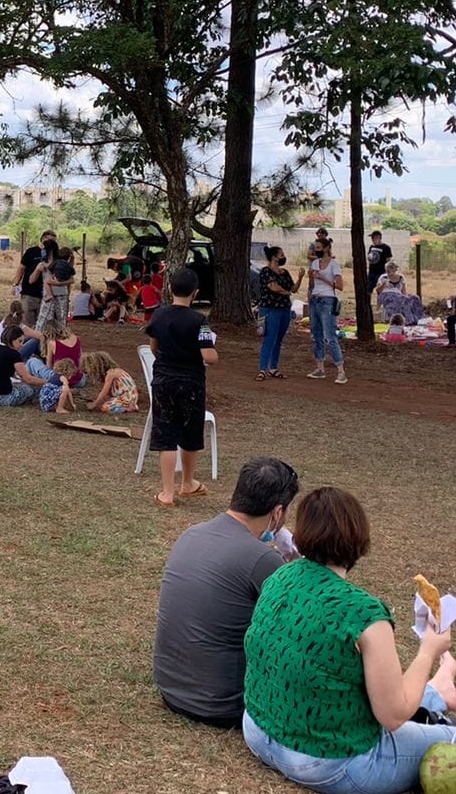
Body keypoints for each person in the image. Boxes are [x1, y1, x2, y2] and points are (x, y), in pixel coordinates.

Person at [242, 488, 456, 793]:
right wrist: (429, 650)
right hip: (329, 762)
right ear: (359, 538)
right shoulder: (364, 614)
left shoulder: (279, 576)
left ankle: (437, 693)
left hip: (258, 730)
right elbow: (392, 715)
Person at [154, 458, 300, 728]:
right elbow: (301, 625)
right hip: (223, 704)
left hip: (171, 688)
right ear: (277, 513)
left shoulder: (191, 534)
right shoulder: (262, 559)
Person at [147, 266, 218, 507]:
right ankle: (187, 483)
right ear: (195, 293)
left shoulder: (158, 315)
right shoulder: (201, 321)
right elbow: (209, 356)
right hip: (191, 383)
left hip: (163, 380)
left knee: (166, 433)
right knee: (190, 433)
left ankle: (167, 492)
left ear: (169, 289)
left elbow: (153, 346)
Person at [255, 246, 302, 381]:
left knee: (278, 340)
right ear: (274, 257)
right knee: (269, 339)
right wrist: (286, 292)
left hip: (284, 309)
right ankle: (262, 369)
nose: (283, 257)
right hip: (270, 309)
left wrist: (300, 278)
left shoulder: (284, 273)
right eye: (281, 255)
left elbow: (293, 289)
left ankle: (273, 368)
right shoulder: (265, 271)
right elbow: (273, 287)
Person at [0, 324, 48, 406]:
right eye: (20, 341)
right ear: (12, 340)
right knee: (32, 389)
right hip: (1, 398)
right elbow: (28, 379)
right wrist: (49, 382)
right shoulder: (13, 354)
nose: (22, 345)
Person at [306, 238, 347, 383]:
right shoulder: (315, 263)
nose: (316, 250)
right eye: (315, 247)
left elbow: (340, 286)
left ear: (326, 248)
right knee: (316, 334)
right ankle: (320, 367)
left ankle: (341, 371)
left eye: (318, 247)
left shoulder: (334, 265)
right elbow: (311, 282)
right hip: (315, 299)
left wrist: (322, 278)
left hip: (327, 300)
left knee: (330, 336)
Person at [13, 230, 58, 325]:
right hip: (29, 294)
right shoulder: (31, 252)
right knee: (27, 323)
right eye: (49, 240)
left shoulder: (54, 255)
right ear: (43, 239)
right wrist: (15, 284)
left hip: (46, 295)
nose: (51, 243)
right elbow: (21, 268)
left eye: (53, 241)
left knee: (43, 325)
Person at [365, 230, 392, 296]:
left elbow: (388, 261)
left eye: (373, 238)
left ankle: (380, 303)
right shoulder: (371, 247)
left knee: (380, 290)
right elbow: (369, 258)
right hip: (372, 272)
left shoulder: (386, 248)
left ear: (378, 237)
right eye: (372, 238)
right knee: (368, 289)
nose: (372, 240)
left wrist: (387, 272)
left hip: (381, 272)